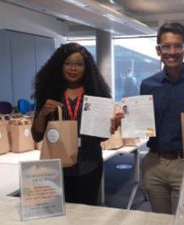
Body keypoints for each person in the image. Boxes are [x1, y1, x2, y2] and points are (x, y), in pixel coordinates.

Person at [112, 22, 184, 214]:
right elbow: (144, 125)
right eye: (166, 46)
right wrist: (125, 120)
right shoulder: (148, 85)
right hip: (154, 165)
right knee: (159, 220)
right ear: (158, 50)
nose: (171, 52)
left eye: (177, 46)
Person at [31, 42, 111, 205]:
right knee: (59, 214)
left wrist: (110, 125)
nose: (73, 69)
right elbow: (37, 135)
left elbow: (102, 138)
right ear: (59, 66)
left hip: (89, 164)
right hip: (57, 167)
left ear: (86, 68)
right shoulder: (49, 93)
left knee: (86, 213)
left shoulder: (96, 94)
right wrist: (43, 113)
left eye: (79, 64)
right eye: (67, 63)